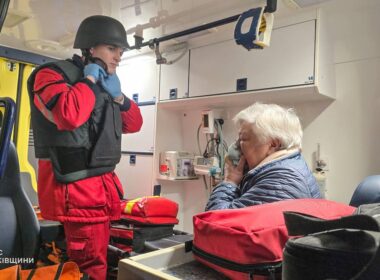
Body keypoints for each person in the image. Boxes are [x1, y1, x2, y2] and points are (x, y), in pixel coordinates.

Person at [27, 15, 143, 279]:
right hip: (77, 193)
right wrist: (88, 82)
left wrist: (118, 96)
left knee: (95, 263)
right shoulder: (51, 74)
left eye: (121, 51)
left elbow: (134, 123)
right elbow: (69, 115)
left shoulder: (105, 84)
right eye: (112, 48)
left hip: (100, 192)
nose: (118, 56)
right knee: (88, 269)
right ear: (91, 48)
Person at [205, 103, 320, 211]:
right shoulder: (287, 167)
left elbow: (215, 223)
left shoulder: (279, 182)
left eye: (243, 139)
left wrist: (230, 182)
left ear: (274, 144)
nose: (236, 146)